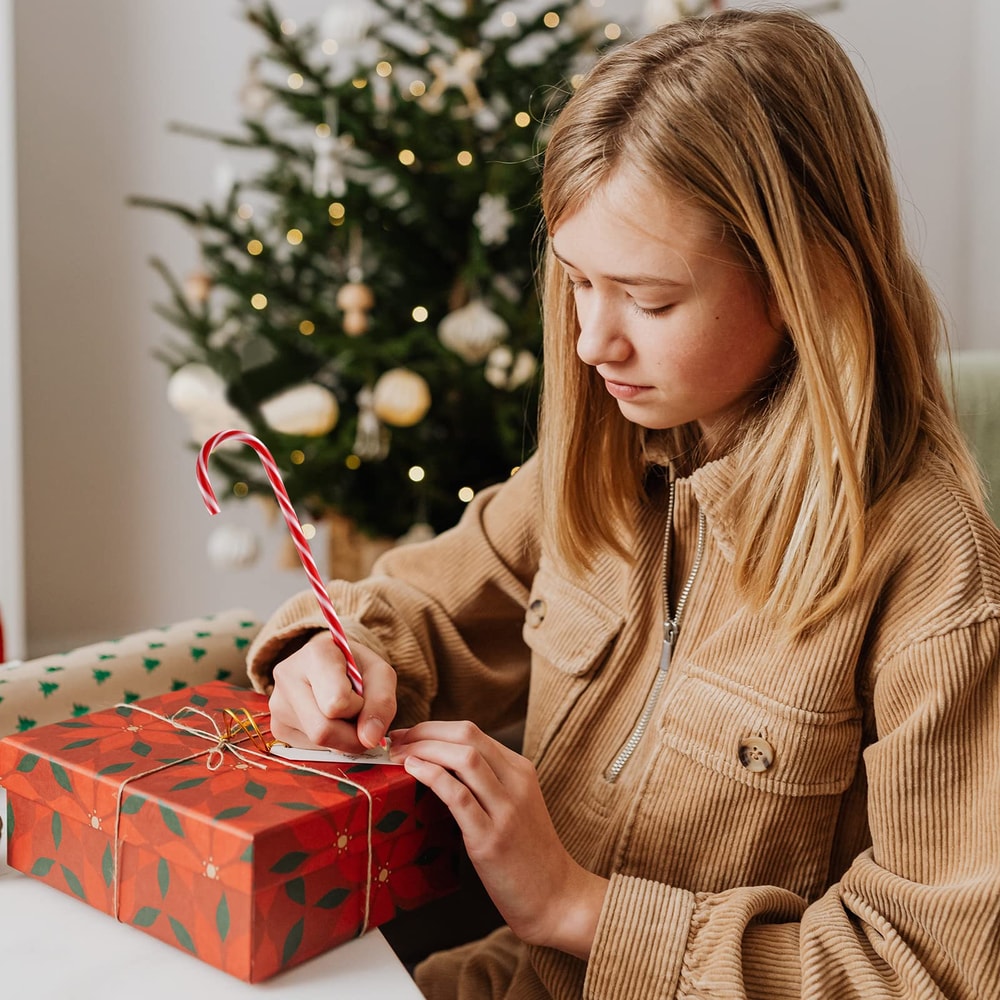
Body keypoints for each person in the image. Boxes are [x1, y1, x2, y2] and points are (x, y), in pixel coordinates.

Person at [246, 9, 1000, 999]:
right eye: (576, 283)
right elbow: (419, 606)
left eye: (647, 300)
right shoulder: (610, 462)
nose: (594, 341)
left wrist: (575, 906)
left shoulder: (929, 573)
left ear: (801, 282)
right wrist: (334, 660)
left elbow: (927, 966)